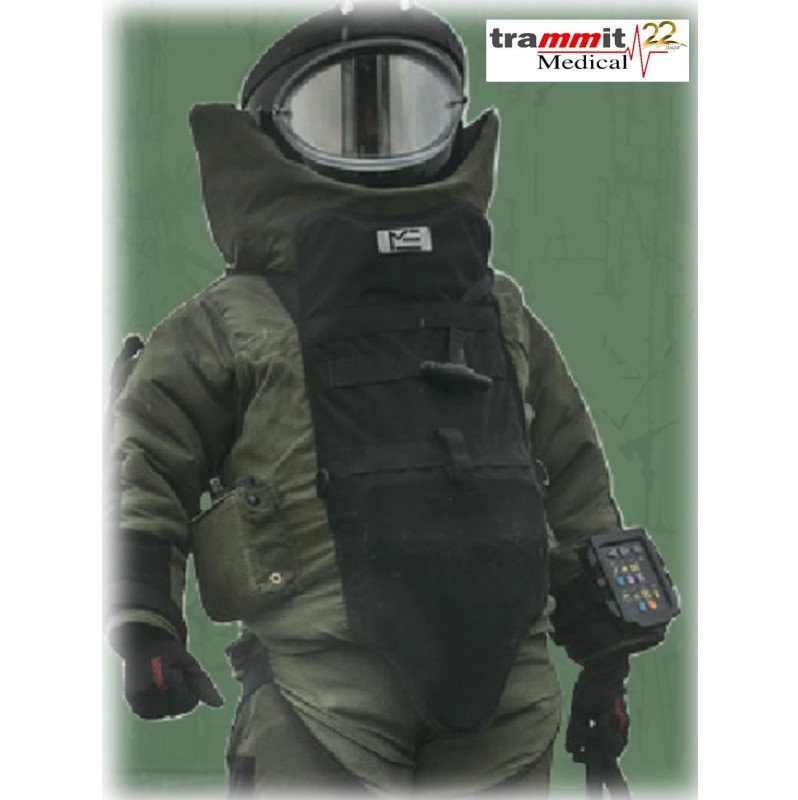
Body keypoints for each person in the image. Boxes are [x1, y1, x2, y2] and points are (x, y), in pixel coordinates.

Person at [107, 2, 659, 792]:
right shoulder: (231, 322)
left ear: (452, 124)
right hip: (321, 694)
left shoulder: (499, 312)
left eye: (409, 110)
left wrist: (606, 664)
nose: (379, 141)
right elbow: (145, 462)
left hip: (508, 697)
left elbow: (572, 483)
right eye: (342, 119)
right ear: (273, 136)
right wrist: (144, 629)